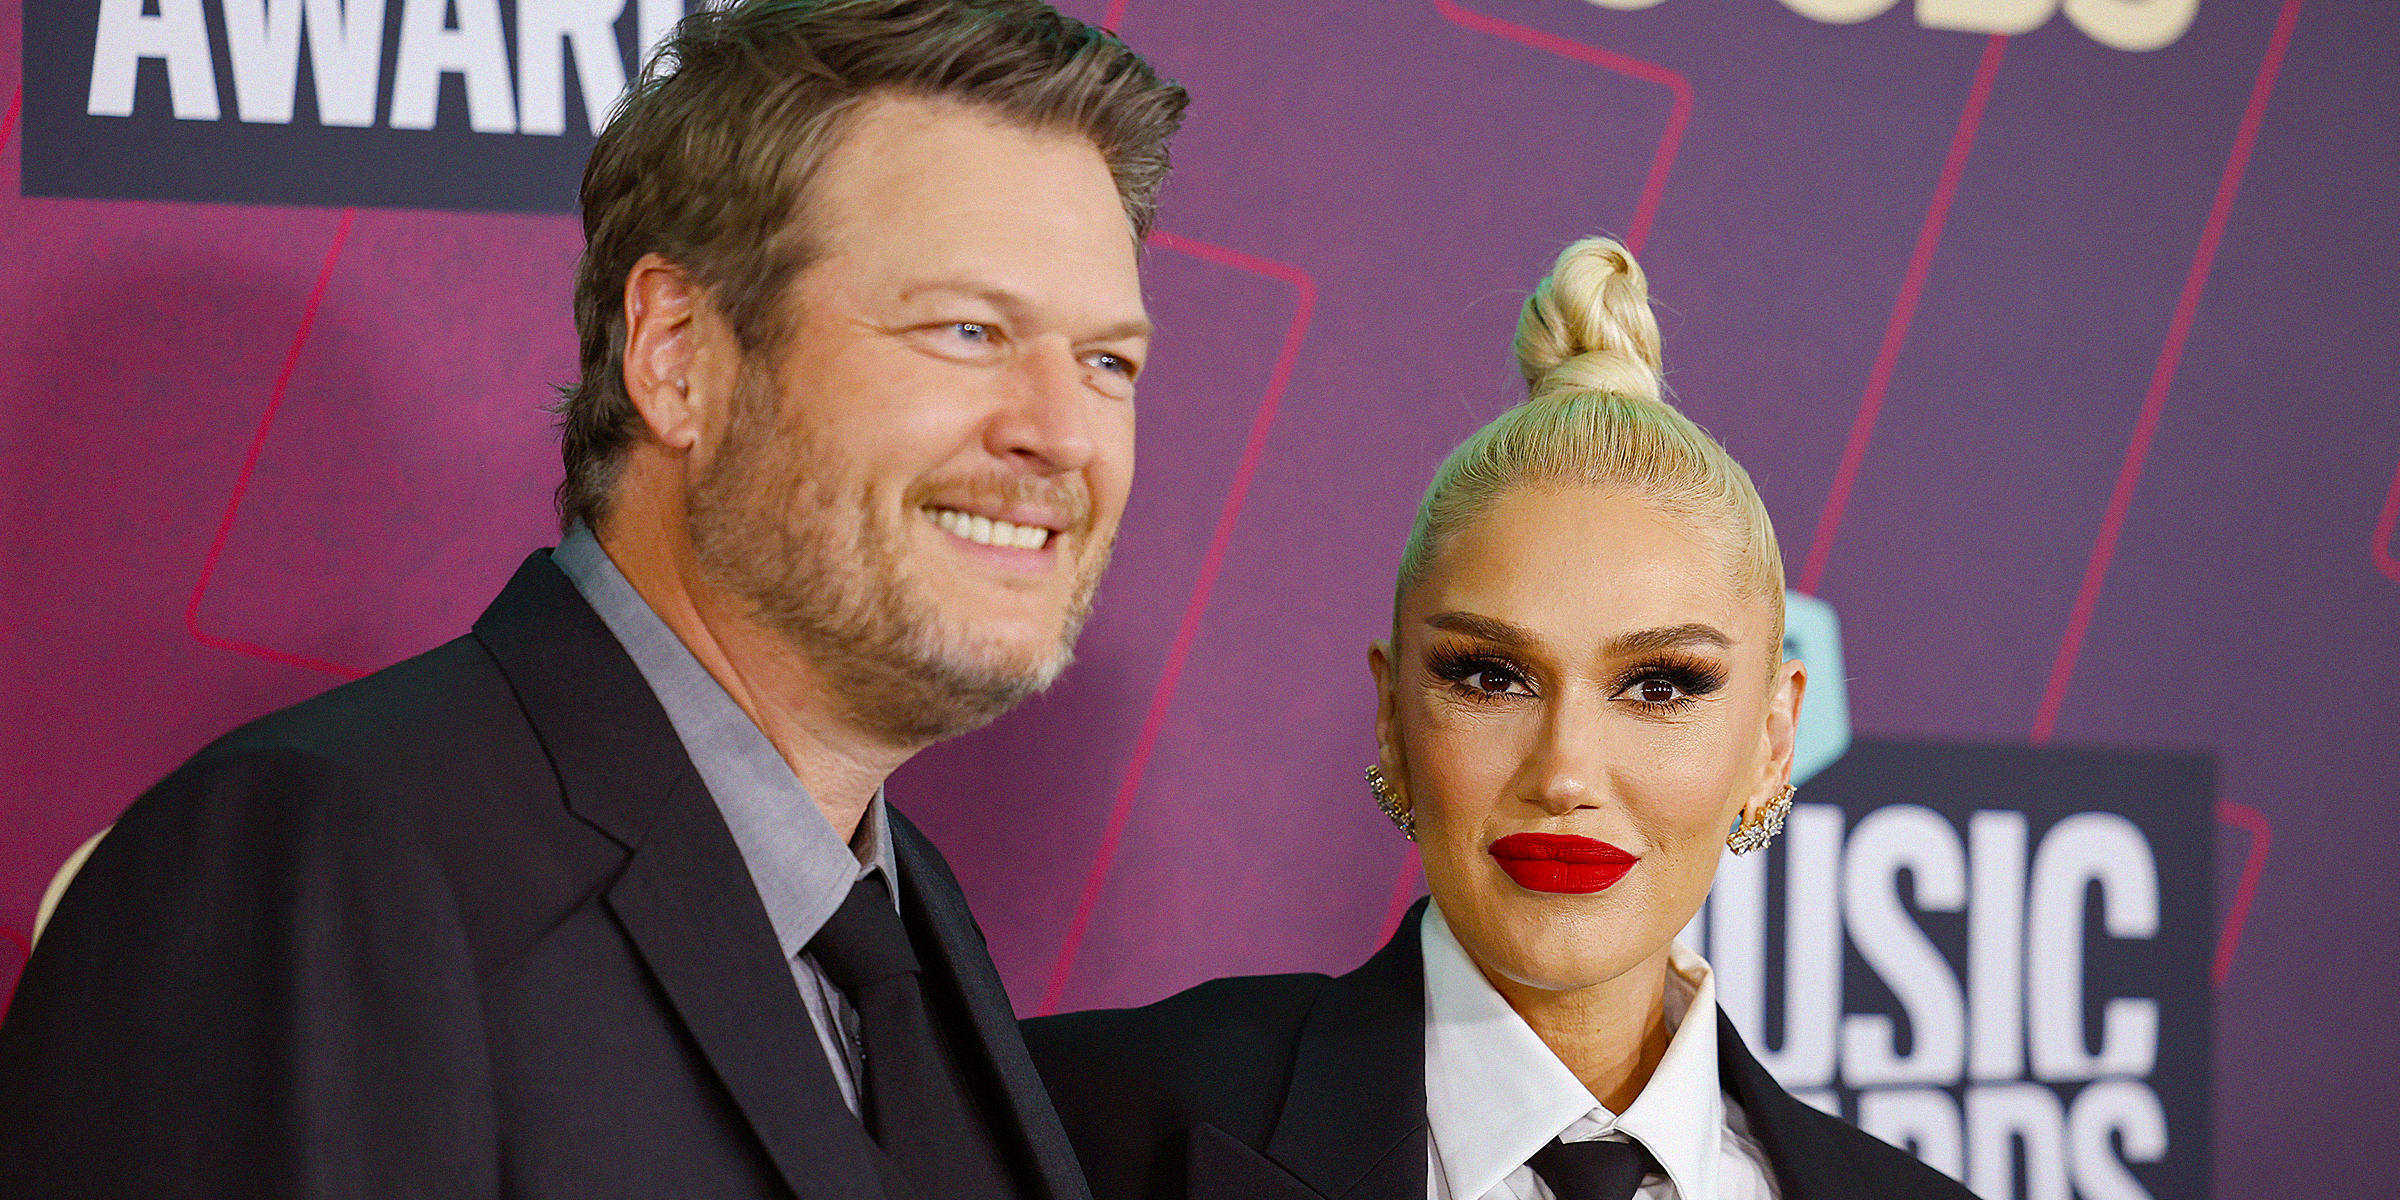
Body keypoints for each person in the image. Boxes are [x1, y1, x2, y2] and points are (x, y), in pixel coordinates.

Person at [0, 2, 1184, 1197]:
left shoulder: (911, 926)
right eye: (970, 330)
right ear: (677, 354)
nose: (1062, 433)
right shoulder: (313, 862)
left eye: (1107, 363)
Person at [1021, 239, 1978, 1200]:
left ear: (1773, 744)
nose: (1565, 772)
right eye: (1491, 677)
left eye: (1659, 687)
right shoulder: (1072, 1123)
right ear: (1394, 719)